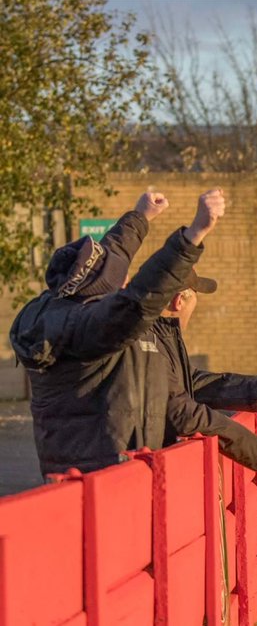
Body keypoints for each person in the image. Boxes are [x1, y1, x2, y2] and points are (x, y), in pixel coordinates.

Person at [9, 188, 242, 477]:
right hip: (98, 480)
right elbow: (140, 299)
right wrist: (194, 234)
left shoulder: (65, 310)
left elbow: (112, 256)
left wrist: (141, 215)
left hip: (96, 474)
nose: (125, 280)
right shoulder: (92, 328)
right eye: (121, 279)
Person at [153, 277, 257, 468]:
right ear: (179, 301)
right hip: (146, 470)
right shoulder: (154, 342)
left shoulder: (164, 338)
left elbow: (200, 384)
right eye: (195, 297)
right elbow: (184, 413)